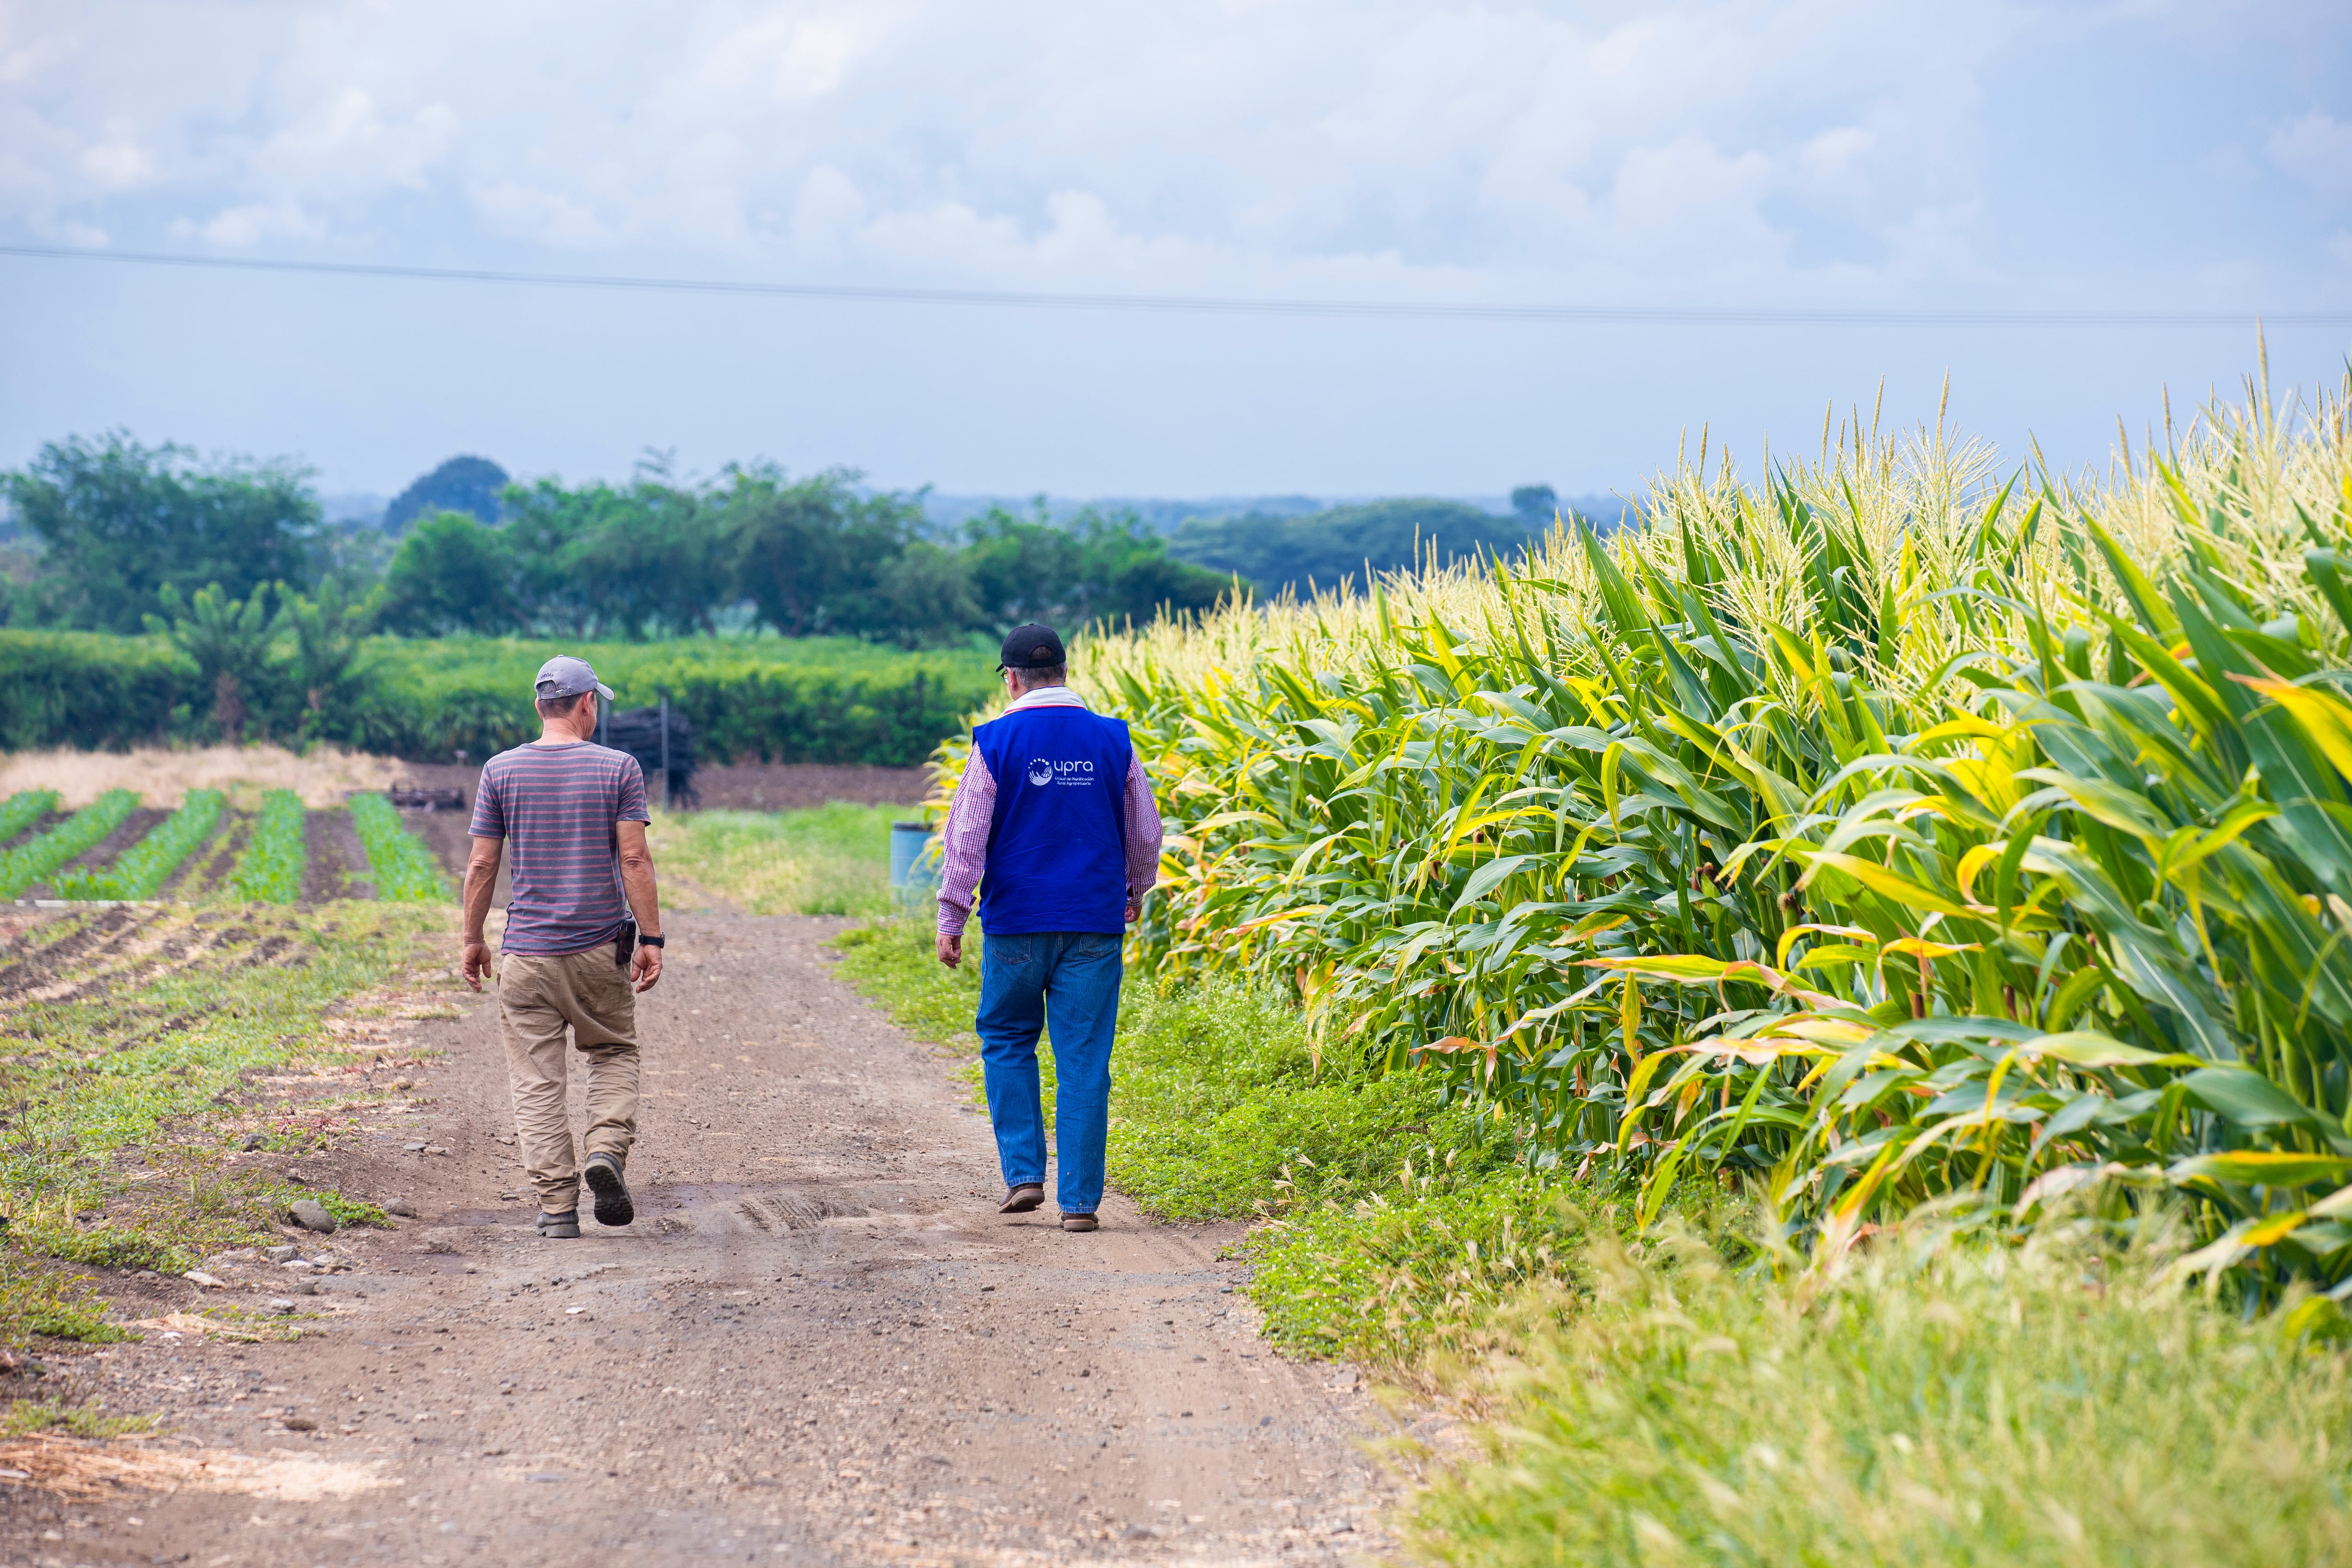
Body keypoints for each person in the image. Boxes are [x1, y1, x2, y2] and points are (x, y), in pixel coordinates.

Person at [934, 624, 1163, 1233]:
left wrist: (952, 915)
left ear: (1010, 679)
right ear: (1064, 670)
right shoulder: (1114, 740)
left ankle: (1025, 1176)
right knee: (1084, 1057)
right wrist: (1136, 890)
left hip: (1016, 925)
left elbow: (965, 839)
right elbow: (1145, 832)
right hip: (1094, 921)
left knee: (1008, 1038)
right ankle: (1081, 1203)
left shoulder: (996, 740)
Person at [461, 655, 666, 1241]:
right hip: (600, 950)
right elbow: (634, 858)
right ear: (586, 704)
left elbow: (481, 863)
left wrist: (473, 939)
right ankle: (605, 1151)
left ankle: (556, 1209)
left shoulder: (499, 771)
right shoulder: (618, 769)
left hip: (526, 954)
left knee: (536, 1080)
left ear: (538, 707)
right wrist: (650, 938)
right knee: (613, 1051)